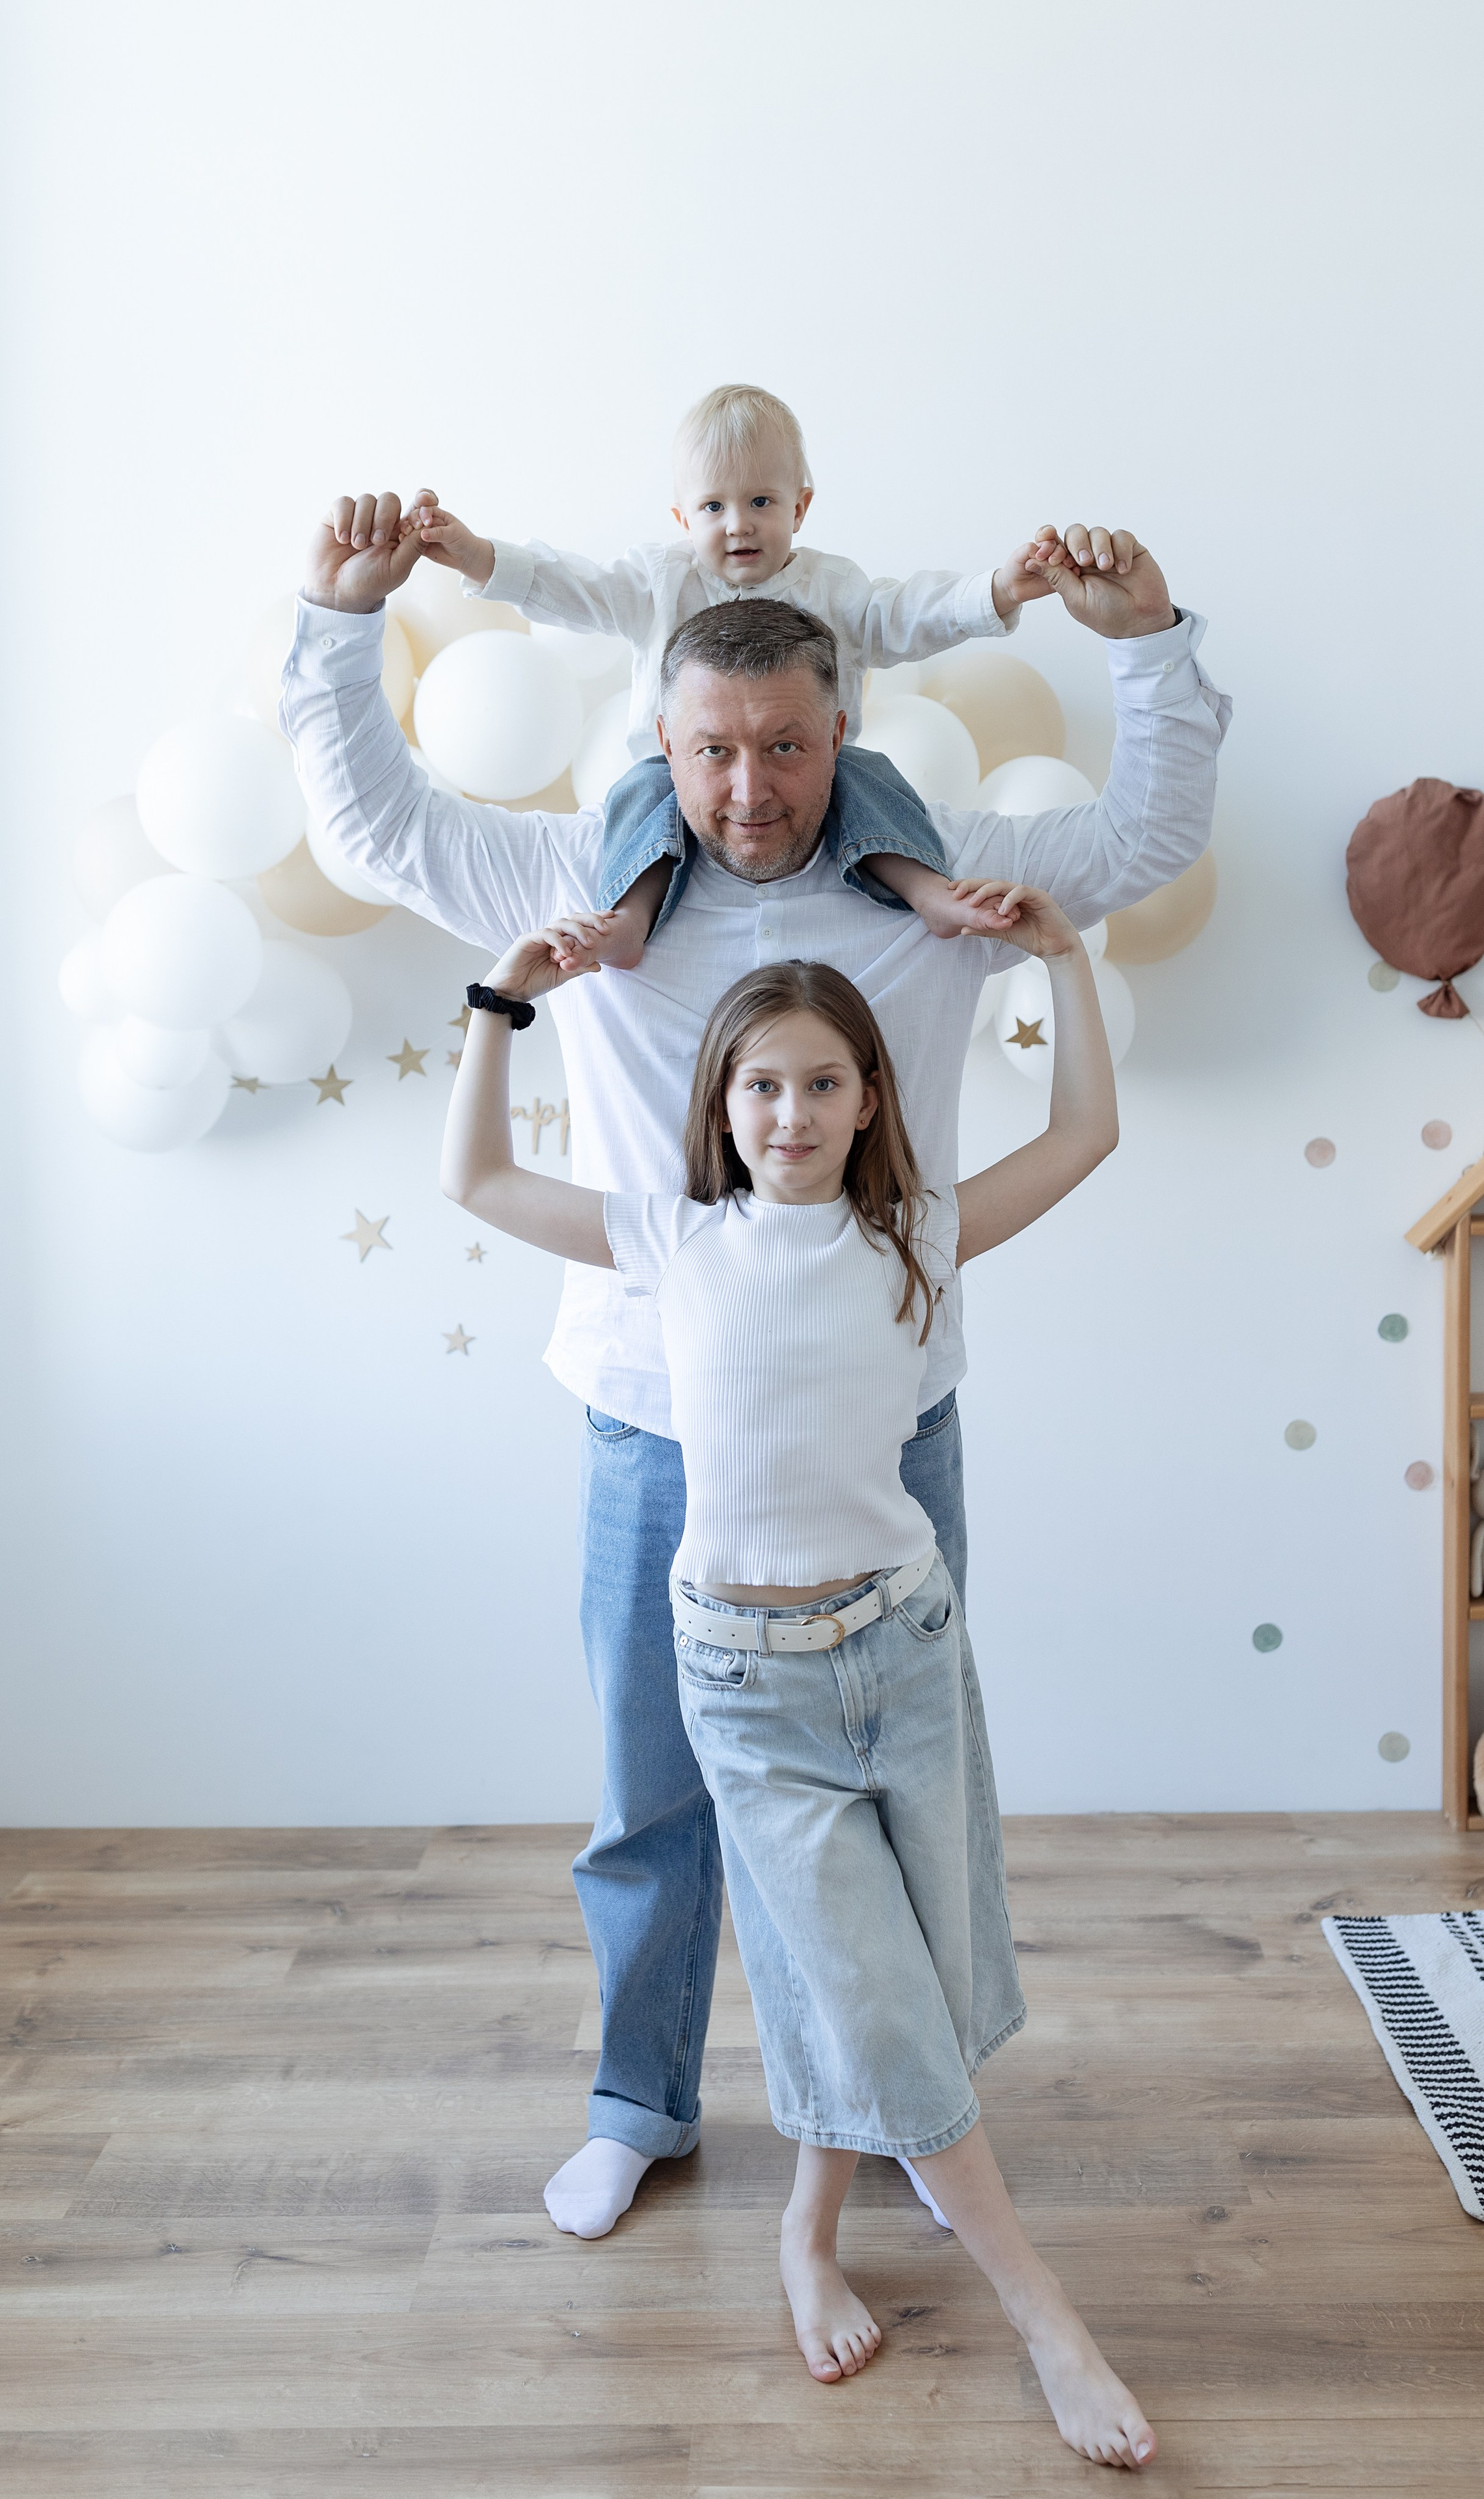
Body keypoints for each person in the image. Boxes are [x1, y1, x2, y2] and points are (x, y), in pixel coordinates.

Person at [281, 493, 1230, 2243]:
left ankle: (916, 2119)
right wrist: (342, 618)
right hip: (655, 1423)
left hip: (895, 1417)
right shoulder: (590, 891)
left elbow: (1150, 830)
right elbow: (370, 831)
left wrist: (1151, 642)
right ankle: (641, 2102)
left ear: (841, 733)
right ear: (660, 743)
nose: (748, 788)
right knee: (654, 1793)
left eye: (785, 746)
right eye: (712, 751)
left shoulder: (937, 890)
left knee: (907, 1795)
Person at [437, 890, 1155, 2469]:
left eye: (821, 1081)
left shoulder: (919, 1231)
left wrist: (1061, 960)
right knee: (873, 1992)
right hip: (748, 1684)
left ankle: (808, 2227)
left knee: (910, 1979)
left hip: (899, 1649)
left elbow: (1087, 1130)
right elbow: (474, 1174)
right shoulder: (670, 1236)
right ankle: (1043, 2310)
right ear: (719, 1102)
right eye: (760, 1082)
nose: (789, 1111)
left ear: (869, 1097)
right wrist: (505, 996)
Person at [403, 381, 1066, 966]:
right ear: (681, 519)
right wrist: (477, 557)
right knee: (638, 800)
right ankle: (631, 920)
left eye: (760, 502)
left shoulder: (832, 588)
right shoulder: (660, 582)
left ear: (800, 508)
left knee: (872, 784)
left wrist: (997, 592)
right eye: (713, 508)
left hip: (814, 768)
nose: (738, 525)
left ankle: (928, 892)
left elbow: (910, 615)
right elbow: (570, 586)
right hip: (680, 772)